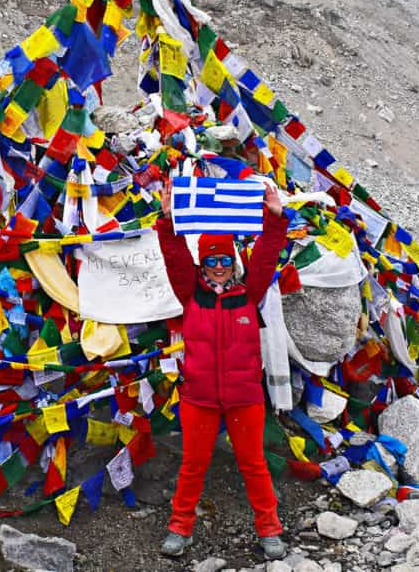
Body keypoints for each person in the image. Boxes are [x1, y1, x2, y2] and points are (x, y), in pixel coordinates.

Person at [154, 178, 289, 561]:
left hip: (245, 397)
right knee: (193, 465)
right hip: (199, 397)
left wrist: (275, 219)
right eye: (210, 260)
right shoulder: (189, 293)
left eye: (224, 259)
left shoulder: (249, 293)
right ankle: (180, 529)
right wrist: (167, 220)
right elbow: (173, 254)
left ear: (233, 261)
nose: (217, 266)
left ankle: (270, 531)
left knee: (254, 465)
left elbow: (266, 254)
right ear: (202, 262)